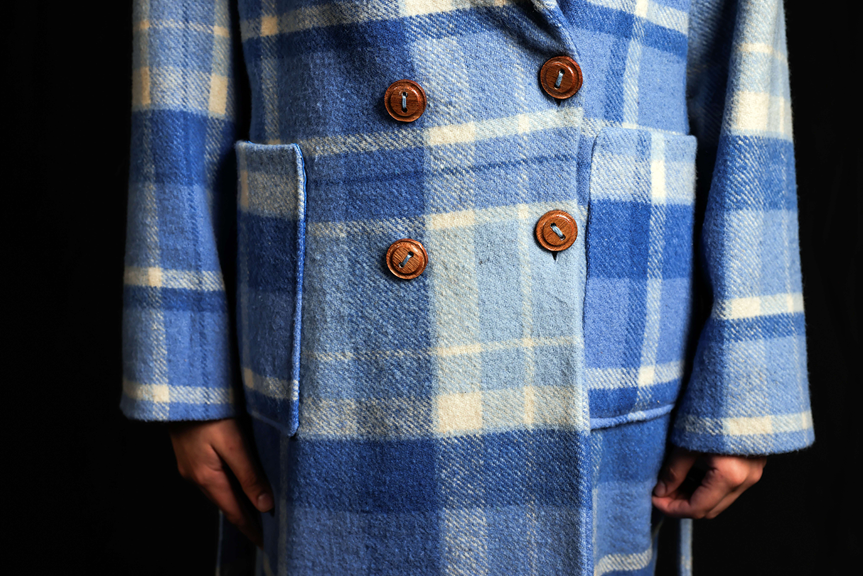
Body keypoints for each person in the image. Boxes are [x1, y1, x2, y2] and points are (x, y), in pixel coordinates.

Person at [121, 0, 813, 574]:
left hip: (603, 310)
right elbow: (179, 78)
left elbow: (746, 74)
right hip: (355, 341)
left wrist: (748, 383)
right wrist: (186, 374)